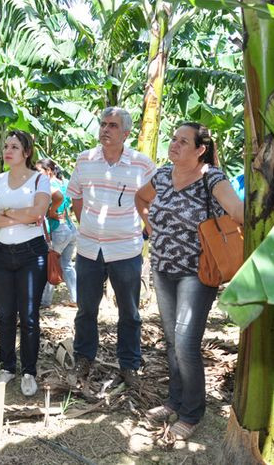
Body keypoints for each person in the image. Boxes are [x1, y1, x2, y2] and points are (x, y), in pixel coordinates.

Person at [135, 123, 243, 440]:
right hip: (163, 267)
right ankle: (175, 400)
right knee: (172, 340)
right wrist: (151, 226)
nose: (175, 144)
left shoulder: (212, 178)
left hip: (198, 273)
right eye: (174, 139)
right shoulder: (163, 175)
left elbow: (236, 209)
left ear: (200, 150)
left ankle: (192, 413)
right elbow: (141, 198)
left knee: (185, 342)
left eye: (184, 141)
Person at [67, 107, 156, 387]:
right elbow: (76, 198)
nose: (106, 129)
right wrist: (90, 226)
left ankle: (129, 365)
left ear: (126, 133)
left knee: (129, 311)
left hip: (126, 250)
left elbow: (153, 201)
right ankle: (84, 357)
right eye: (103, 124)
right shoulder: (85, 159)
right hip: (89, 249)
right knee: (86, 309)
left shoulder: (142, 164)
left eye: (113, 125)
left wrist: (141, 230)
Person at [0, 130, 50, 397]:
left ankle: (29, 371)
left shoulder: (38, 180)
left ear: (27, 152)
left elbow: (38, 213)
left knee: (30, 316)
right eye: (6, 146)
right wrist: (19, 217)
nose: (8, 151)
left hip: (31, 254)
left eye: (14, 147)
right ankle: (7, 366)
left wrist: (5, 212)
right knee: (5, 314)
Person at [36, 158, 77, 307]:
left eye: (39, 171)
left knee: (51, 264)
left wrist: (52, 211)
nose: (37, 174)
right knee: (66, 264)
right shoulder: (64, 182)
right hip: (70, 228)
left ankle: (45, 300)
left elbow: (58, 197)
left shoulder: (49, 184)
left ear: (48, 171)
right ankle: (76, 298)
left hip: (58, 229)